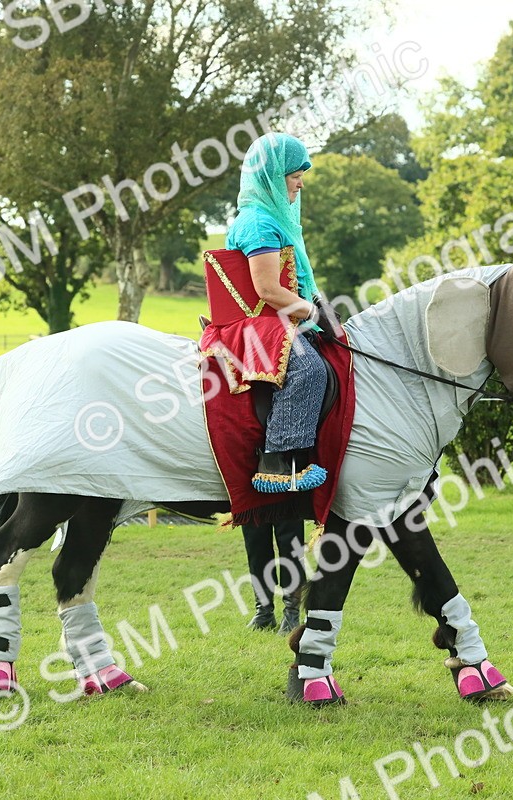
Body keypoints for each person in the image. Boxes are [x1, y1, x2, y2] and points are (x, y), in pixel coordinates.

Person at [225, 132, 329, 493]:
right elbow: (267, 290)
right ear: (271, 175)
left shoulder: (278, 220)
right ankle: (277, 458)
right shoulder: (258, 223)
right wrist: (314, 315)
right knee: (309, 369)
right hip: (261, 323)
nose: (300, 182)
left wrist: (322, 309)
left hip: (282, 319)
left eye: (301, 174)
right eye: (293, 174)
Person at [242, 519, 307, 633]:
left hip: (287, 502)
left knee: (291, 545)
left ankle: (292, 614)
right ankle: (264, 613)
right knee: (255, 544)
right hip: (252, 501)